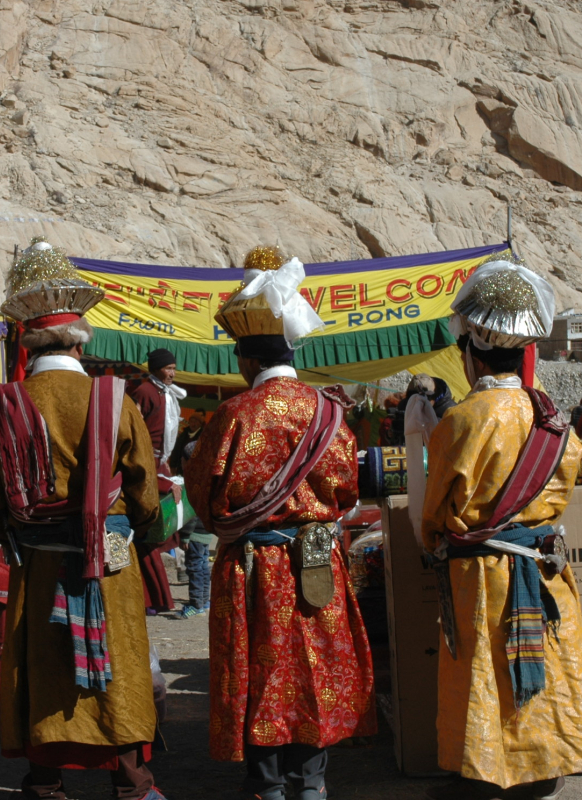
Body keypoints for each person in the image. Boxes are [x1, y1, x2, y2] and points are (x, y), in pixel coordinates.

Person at [0, 237, 167, 800]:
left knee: (44, 665)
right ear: (81, 341)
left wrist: (25, 533)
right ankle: (131, 783)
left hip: (38, 566)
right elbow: (145, 492)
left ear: (29, 340)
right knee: (118, 664)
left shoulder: (6, 404)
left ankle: (46, 783)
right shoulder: (114, 398)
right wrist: (131, 532)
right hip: (107, 564)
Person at [184, 246, 375, 800]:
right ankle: (311, 782)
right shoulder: (330, 412)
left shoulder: (233, 415)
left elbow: (204, 498)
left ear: (246, 360)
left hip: (253, 567)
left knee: (259, 669)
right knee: (315, 665)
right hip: (317, 562)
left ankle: (265, 785)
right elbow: (347, 491)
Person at [422, 257, 582, 800]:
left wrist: (433, 539)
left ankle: (484, 771)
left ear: (472, 356)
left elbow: (435, 515)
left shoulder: (461, 421)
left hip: (482, 577)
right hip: (543, 568)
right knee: (544, 662)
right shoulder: (554, 421)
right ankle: (543, 767)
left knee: (484, 672)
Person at [129, 348, 187, 614]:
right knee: (145, 536)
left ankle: (157, 599)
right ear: (155, 369)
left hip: (159, 466)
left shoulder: (166, 393)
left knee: (153, 536)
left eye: (174, 368)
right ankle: (148, 599)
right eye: (168, 368)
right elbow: (137, 440)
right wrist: (161, 481)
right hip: (145, 468)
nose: (172, 373)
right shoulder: (145, 392)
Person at [175, 439, 212, 618]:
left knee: (194, 567)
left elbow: (191, 513)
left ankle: (196, 604)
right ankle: (204, 601)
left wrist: (185, 536)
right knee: (203, 566)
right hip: (206, 531)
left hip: (195, 533)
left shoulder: (192, 483)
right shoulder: (207, 479)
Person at [391, 374, 456, 445]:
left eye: (422, 401)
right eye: (413, 400)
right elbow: (394, 441)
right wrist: (393, 432)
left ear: (434, 397)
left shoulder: (451, 412)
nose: (417, 405)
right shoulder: (405, 405)